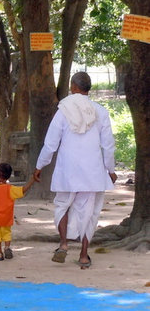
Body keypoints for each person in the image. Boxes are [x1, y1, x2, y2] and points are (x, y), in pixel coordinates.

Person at [33, 71, 116, 269]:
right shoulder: (100, 111)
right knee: (88, 212)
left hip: (67, 170)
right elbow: (108, 145)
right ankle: (84, 255)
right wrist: (110, 170)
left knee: (62, 205)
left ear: (73, 87)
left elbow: (51, 143)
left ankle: (63, 244)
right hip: (92, 171)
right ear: (89, 88)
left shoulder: (63, 110)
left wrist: (40, 165)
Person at [0, 162, 35, 261]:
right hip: (6, 218)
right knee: (6, 234)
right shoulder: (10, 189)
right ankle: (7, 247)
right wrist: (32, 180)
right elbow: (23, 190)